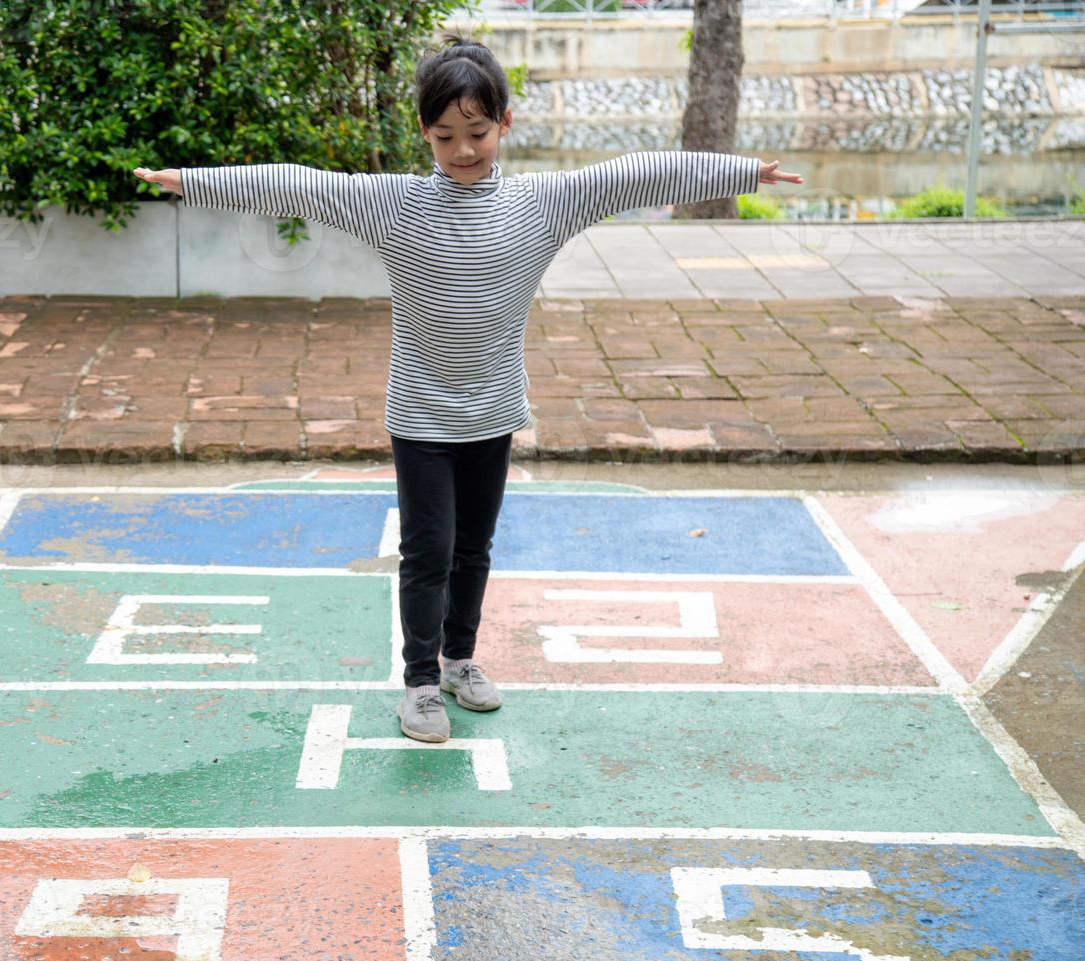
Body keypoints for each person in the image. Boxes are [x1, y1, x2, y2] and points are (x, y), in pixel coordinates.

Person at [134, 33, 803, 745]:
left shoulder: (543, 203)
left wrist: (744, 172)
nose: (462, 150)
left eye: (477, 133)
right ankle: (419, 683)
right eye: (445, 135)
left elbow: (638, 174)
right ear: (424, 132)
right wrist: (191, 180)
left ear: (504, 125)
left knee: (474, 549)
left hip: (492, 412)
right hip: (421, 416)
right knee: (429, 552)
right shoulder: (391, 206)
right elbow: (297, 184)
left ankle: (459, 661)